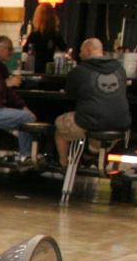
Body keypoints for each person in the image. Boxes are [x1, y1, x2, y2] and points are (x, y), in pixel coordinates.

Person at [55, 38, 131, 166]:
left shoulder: (79, 70)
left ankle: (63, 164)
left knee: (60, 126)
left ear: (88, 50)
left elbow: (70, 95)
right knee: (96, 134)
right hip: (121, 125)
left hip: (91, 123)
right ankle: (91, 154)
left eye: (81, 51)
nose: (79, 55)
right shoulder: (119, 68)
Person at [22, 3, 69, 74]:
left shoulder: (34, 35)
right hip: (49, 68)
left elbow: (25, 50)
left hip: (35, 68)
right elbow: (64, 48)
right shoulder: (56, 35)